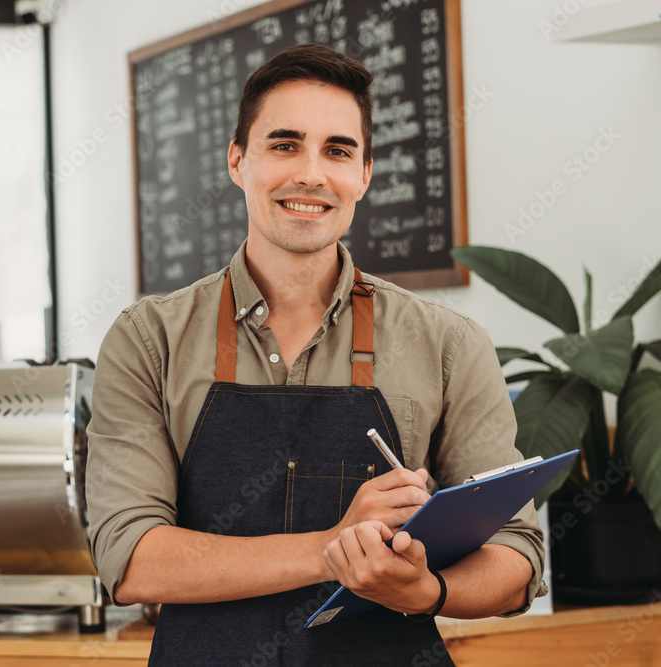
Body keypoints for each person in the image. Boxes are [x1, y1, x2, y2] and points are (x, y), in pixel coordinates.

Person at [85, 43, 544, 666]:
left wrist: (426, 589)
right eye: (284, 144)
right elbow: (130, 557)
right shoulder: (150, 339)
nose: (312, 174)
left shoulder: (448, 343)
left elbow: (517, 555)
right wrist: (331, 547)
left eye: (337, 150)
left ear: (364, 175)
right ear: (237, 161)